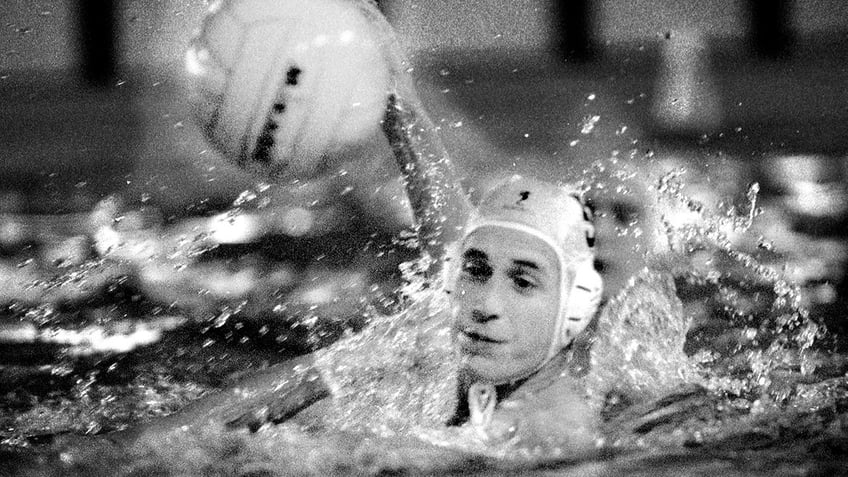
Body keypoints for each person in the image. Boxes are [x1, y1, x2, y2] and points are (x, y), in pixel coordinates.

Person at [108, 91, 603, 454]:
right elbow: (270, 393)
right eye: (477, 272)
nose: (487, 306)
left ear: (573, 306)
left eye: (523, 281)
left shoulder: (552, 433)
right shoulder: (434, 336)